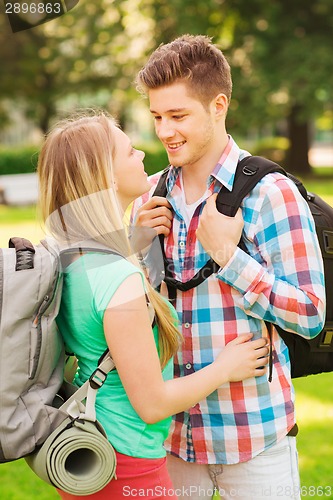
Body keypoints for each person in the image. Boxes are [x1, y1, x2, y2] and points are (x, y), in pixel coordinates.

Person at [37, 111, 270, 500]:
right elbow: (152, 404)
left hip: (91, 450)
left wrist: (132, 240)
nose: (144, 154)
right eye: (129, 152)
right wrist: (226, 368)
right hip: (128, 467)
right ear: (106, 178)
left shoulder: (70, 258)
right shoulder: (119, 279)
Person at [131, 35, 326, 499]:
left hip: (255, 439)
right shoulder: (150, 196)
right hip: (173, 439)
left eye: (178, 116)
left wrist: (230, 258)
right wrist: (133, 248)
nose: (165, 131)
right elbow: (132, 317)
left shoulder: (271, 193)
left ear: (218, 105)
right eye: (157, 116)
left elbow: (312, 314)